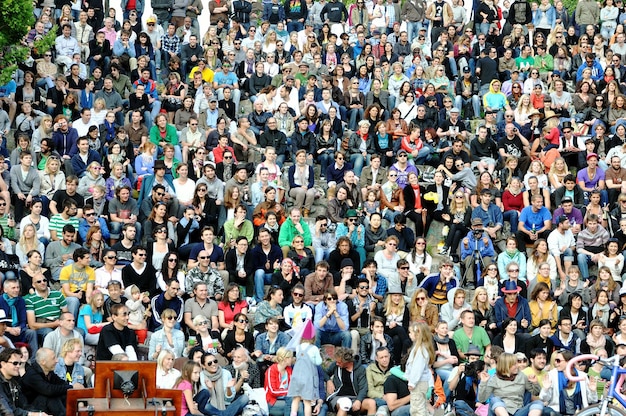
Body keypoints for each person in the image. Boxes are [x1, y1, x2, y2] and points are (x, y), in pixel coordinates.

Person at [539, 349, 597, 414]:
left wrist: (593, 391)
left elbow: (592, 400)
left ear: (568, 362)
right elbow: (544, 399)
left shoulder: (582, 376)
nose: (555, 363)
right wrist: (546, 389)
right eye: (555, 360)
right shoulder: (552, 375)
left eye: (558, 361)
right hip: (557, 413)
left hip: (580, 413)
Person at [21, 348, 72, 416]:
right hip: (30, 409)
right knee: (49, 396)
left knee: (64, 394)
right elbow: (48, 390)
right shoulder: (31, 374)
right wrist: (72, 386)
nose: (57, 361)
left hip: (45, 406)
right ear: (43, 362)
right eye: (53, 358)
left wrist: (71, 388)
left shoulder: (49, 372)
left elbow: (63, 384)